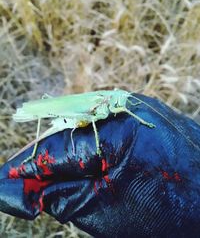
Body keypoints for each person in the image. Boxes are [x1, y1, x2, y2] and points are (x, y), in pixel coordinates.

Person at [0, 93, 200, 238]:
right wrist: (96, 144)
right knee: (47, 105)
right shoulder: (104, 104)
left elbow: (124, 106)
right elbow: (93, 120)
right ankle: (33, 152)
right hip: (76, 116)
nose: (124, 105)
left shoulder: (117, 102)